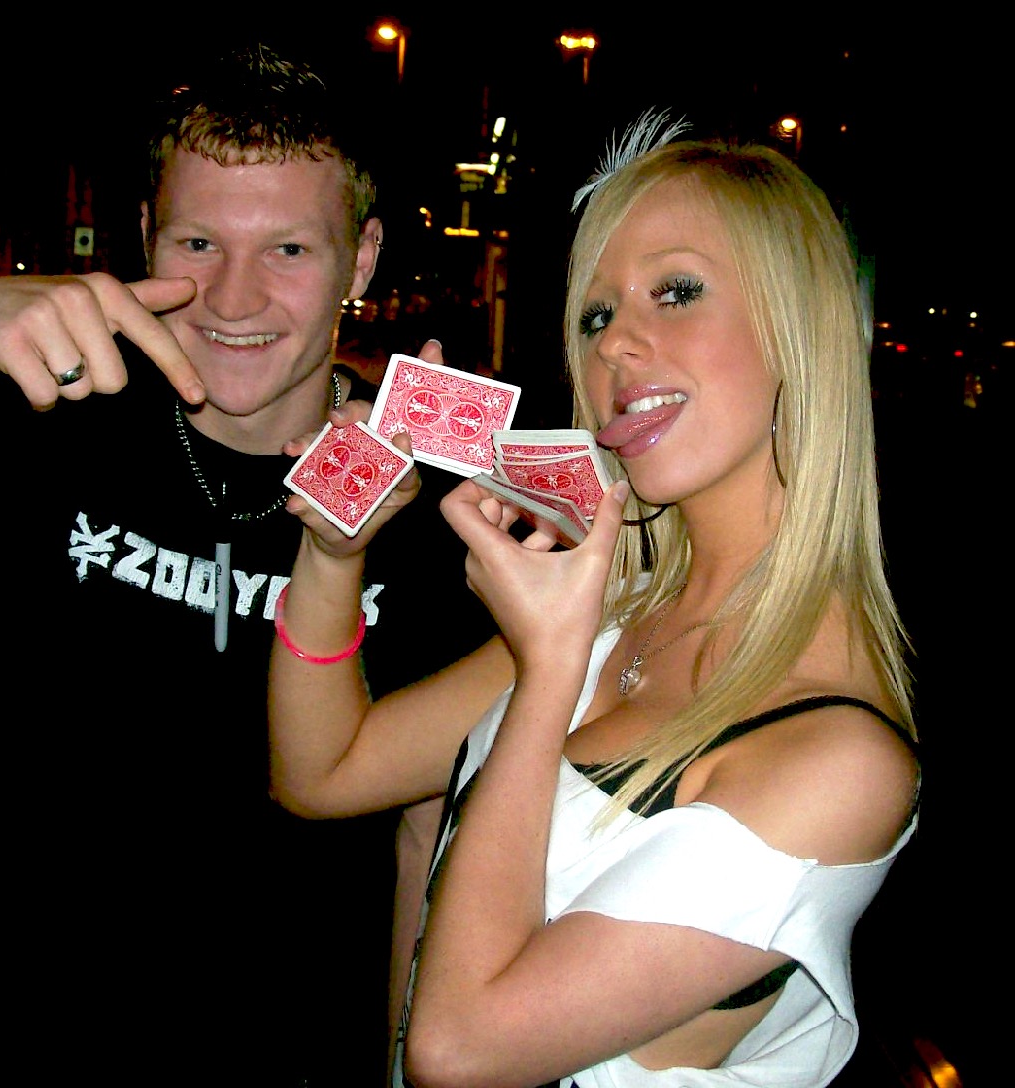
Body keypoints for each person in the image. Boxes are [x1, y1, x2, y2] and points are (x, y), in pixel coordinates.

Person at [0, 43, 492, 1085]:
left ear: (359, 260)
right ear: (144, 234)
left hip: (294, 1040)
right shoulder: (57, 403)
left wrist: (403, 1057)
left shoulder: (434, 500)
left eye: (287, 251)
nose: (232, 297)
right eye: (196, 241)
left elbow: (426, 830)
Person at [267, 122, 921, 1087]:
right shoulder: (620, 612)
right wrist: (333, 552)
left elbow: (462, 1049)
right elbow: (324, 772)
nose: (614, 339)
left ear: (800, 327)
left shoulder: (841, 759)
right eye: (594, 314)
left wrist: (548, 671)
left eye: (678, 290)